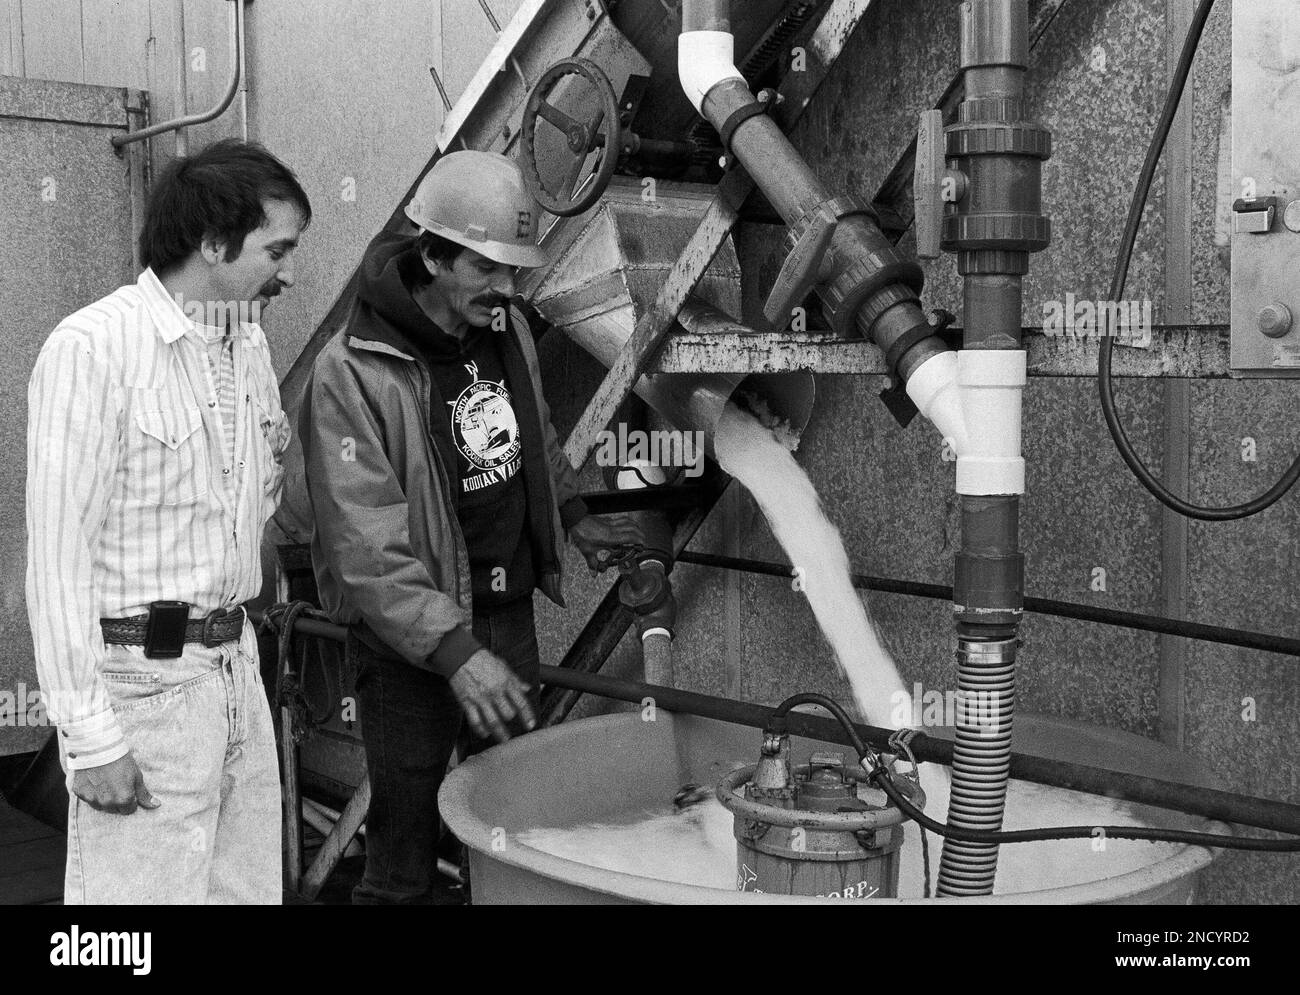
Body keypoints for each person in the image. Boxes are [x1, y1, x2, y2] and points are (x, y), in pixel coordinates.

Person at [300, 150, 640, 904]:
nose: (507, 289)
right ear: (432, 255)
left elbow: (532, 437)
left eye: (514, 271)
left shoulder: (507, 328)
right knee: (404, 855)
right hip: (409, 650)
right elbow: (366, 547)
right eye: (488, 269)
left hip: (507, 615)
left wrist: (576, 516)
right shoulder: (349, 370)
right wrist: (456, 653)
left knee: (515, 830)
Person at [25, 139, 311, 904]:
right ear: (213, 240)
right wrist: (88, 736)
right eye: (276, 250)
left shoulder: (243, 344)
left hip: (235, 672)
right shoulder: (92, 348)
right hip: (141, 689)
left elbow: (250, 504)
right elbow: (55, 562)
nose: (290, 272)